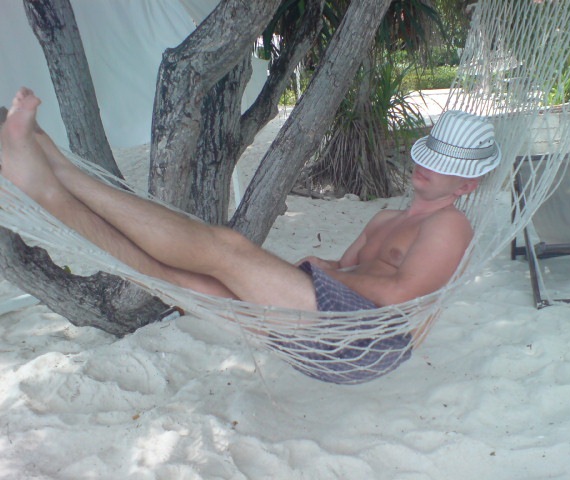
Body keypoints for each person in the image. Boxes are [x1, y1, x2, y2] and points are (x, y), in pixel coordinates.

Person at [0, 87, 500, 383]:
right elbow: (346, 270)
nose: (428, 168)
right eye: (430, 156)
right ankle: (46, 188)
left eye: (447, 167)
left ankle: (64, 173)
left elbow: (399, 294)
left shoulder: (449, 224)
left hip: (369, 341)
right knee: (174, 280)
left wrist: (322, 273)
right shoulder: (385, 219)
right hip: (335, 324)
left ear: (467, 185)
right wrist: (327, 270)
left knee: (227, 250)